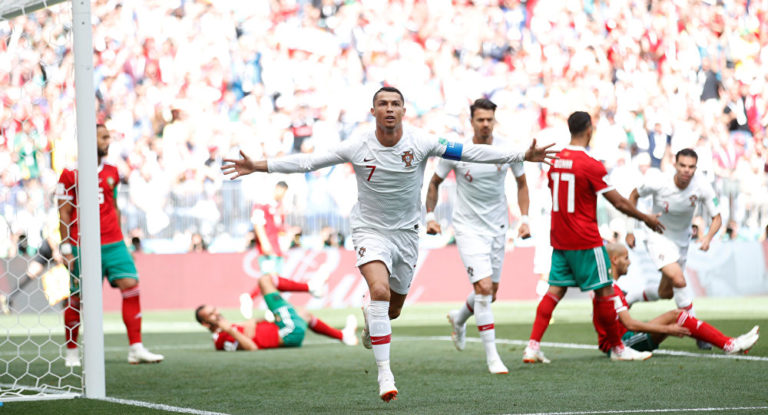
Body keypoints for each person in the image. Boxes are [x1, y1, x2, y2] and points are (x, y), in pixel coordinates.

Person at [222, 86, 557, 401]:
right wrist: (258, 166)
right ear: (373, 111)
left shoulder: (422, 141)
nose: (389, 108)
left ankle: (372, 319)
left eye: (395, 104)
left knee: (392, 310)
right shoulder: (358, 144)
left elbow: (470, 152)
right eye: (383, 104)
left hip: (407, 234)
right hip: (369, 230)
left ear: (404, 111)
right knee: (379, 292)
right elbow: (309, 161)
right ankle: (385, 375)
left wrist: (522, 155)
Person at [522, 111, 665, 364]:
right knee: (605, 290)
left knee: (554, 291)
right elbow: (619, 202)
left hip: (561, 239)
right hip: (585, 239)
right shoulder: (591, 164)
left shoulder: (555, 161)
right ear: (589, 130)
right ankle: (618, 348)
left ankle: (532, 346)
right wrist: (646, 218)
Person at [425, 98, 531, 374]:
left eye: (489, 119)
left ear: (495, 121)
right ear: (471, 121)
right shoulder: (456, 150)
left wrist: (524, 219)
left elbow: (522, 182)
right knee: (483, 289)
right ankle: (493, 358)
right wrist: (430, 216)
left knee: (490, 293)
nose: (485, 124)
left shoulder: (507, 148)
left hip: (497, 227)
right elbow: (434, 182)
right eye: (480, 119)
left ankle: (459, 318)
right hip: (467, 227)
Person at [56, 124, 164, 367]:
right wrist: (66, 248)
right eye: (103, 137)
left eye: (108, 137)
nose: (108, 141)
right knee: (78, 297)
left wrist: (123, 242)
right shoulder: (70, 174)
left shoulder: (112, 171)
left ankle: (136, 348)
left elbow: (113, 207)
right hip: (82, 244)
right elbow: (64, 212)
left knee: (131, 285)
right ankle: (71, 352)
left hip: (114, 242)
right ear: (88, 139)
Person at [623, 148, 722, 349]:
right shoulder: (659, 181)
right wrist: (630, 229)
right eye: (682, 165)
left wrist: (708, 238)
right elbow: (633, 195)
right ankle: (699, 333)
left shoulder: (702, 186)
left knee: (666, 292)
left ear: (696, 168)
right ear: (675, 165)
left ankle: (631, 296)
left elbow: (717, 218)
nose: (686, 170)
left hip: (682, 241)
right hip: (657, 235)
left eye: (691, 167)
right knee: (679, 279)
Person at [598, 243, 759, 355]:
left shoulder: (610, 287)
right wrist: (668, 330)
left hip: (625, 337)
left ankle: (729, 342)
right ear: (615, 260)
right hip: (621, 345)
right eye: (626, 258)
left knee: (676, 315)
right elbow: (630, 324)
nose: (630, 262)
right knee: (675, 316)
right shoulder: (611, 289)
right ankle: (729, 344)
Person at [195, 274, 358, 351]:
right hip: (287, 332)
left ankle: (343, 336)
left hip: (284, 329)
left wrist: (253, 321)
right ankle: (310, 287)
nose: (217, 313)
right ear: (205, 324)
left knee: (303, 314)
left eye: (214, 310)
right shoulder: (220, 339)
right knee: (265, 280)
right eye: (211, 314)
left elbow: (252, 328)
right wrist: (232, 330)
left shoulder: (229, 327)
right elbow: (251, 347)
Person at [239, 181, 327, 319]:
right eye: (283, 192)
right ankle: (250, 297)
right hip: (268, 248)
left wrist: (289, 231)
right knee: (271, 278)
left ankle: (271, 308)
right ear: (277, 189)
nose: (283, 195)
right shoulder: (262, 203)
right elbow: (258, 224)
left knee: (274, 280)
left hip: (277, 248)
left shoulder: (278, 207)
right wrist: (264, 243)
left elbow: (278, 227)